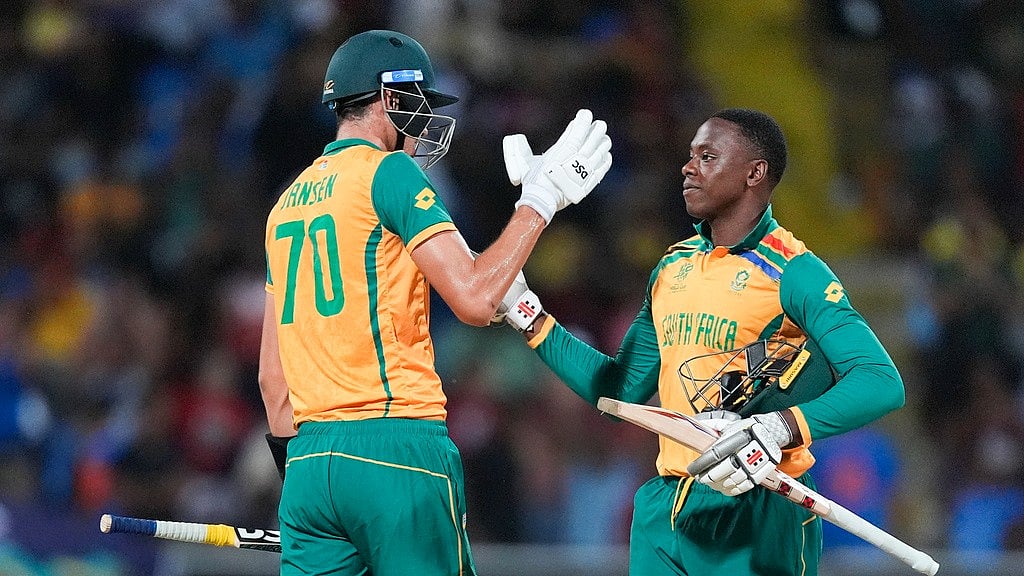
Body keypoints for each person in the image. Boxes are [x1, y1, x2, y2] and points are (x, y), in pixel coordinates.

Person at [257, 29, 611, 576]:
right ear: (391, 97)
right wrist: (540, 201)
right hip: (396, 446)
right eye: (420, 104)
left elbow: (271, 380)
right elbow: (474, 299)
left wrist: (307, 479)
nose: (426, 124)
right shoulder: (389, 172)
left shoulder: (285, 204)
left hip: (308, 465)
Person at [497, 108, 905, 575]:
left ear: (754, 173)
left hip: (756, 502)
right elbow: (618, 388)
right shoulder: (672, 267)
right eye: (691, 155)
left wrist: (779, 428)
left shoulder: (796, 272)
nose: (688, 167)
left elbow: (880, 381)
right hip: (666, 506)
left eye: (707, 157)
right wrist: (527, 314)